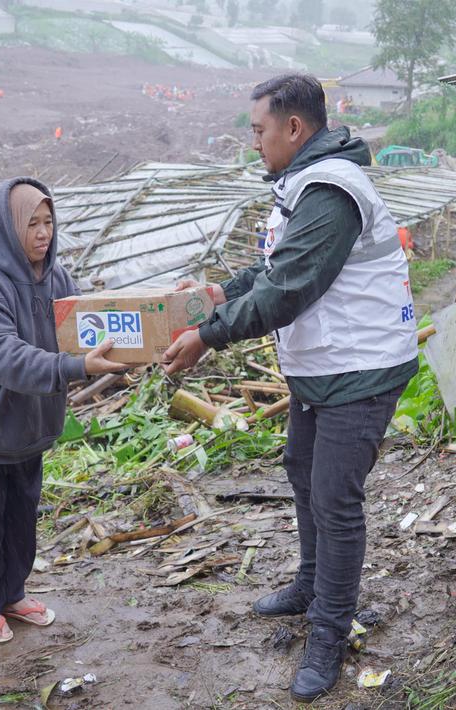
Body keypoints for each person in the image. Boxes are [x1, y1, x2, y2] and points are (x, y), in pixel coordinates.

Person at [163, 74, 418, 702]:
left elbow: (291, 288)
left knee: (334, 500)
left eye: (258, 131)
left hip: (360, 369)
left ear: (294, 128)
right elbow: (277, 263)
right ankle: (311, 584)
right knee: (301, 469)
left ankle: (329, 636)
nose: (254, 142)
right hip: (324, 366)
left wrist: (209, 333)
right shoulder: (305, 181)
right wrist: (229, 289)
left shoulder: (331, 190)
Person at [0, 178, 127, 644]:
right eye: (32, 224)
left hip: (27, 426)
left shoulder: (56, 279)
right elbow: (4, 355)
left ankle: (11, 592)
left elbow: (86, 330)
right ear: (4, 227)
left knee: (20, 519)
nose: (43, 233)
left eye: (48, 222)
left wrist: (131, 354)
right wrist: (79, 366)